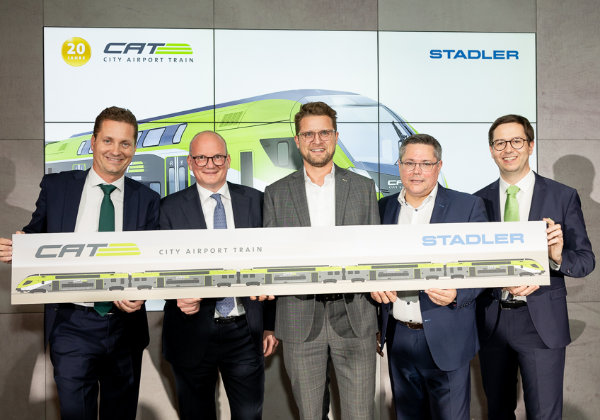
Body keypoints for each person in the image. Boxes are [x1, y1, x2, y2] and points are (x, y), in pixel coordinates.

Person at [0, 106, 160, 420]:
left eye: (125, 143)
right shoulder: (57, 187)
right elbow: (36, 233)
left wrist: (141, 292)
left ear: (134, 148)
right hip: (71, 323)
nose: (116, 150)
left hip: (125, 329)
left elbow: (152, 262)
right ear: (93, 141)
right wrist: (21, 245)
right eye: (108, 140)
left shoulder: (148, 199)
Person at [263, 101, 379, 420]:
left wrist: (381, 321)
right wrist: (269, 323)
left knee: (360, 415)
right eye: (308, 134)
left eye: (324, 132)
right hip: (298, 319)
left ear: (336, 137)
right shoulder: (275, 193)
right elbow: (270, 261)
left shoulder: (363, 188)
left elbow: (376, 256)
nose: (317, 140)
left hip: (356, 317)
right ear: (297, 140)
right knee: (310, 415)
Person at [475, 114, 595, 419]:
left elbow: (585, 261)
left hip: (541, 322)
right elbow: (470, 263)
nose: (508, 149)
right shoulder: (476, 202)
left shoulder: (562, 196)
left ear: (530, 146)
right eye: (500, 143)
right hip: (492, 321)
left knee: (545, 414)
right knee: (498, 412)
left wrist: (556, 257)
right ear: (491, 150)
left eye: (516, 141)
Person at [159, 131, 277, 420]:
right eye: (201, 157)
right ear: (190, 162)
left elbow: (272, 263)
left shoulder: (257, 201)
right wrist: (176, 292)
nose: (210, 164)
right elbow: (156, 268)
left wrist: (270, 325)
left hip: (245, 330)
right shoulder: (168, 208)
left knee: (249, 416)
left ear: (228, 160)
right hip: (190, 331)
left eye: (217, 157)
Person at [372, 134, 487, 419]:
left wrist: (458, 293)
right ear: (399, 165)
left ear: (439, 166)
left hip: (448, 334)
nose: (416, 171)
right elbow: (369, 263)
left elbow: (484, 266)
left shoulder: (467, 206)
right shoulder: (382, 208)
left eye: (425, 163)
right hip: (398, 336)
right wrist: (373, 286)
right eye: (409, 162)